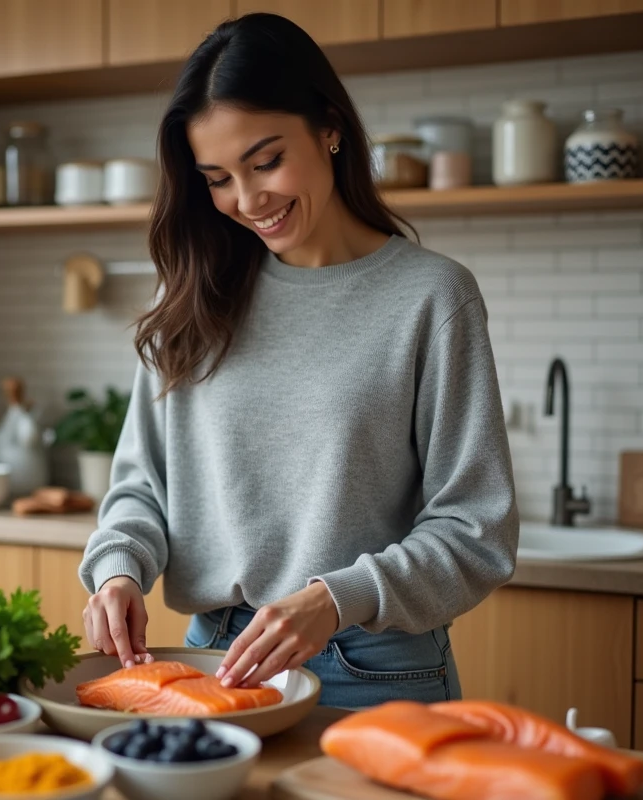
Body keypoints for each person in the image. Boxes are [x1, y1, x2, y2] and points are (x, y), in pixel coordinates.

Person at [77, 12, 519, 709]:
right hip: (208, 657)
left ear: (330, 127)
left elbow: (475, 531)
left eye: (266, 161)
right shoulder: (193, 291)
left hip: (373, 667)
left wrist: (333, 600)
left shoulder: (431, 297)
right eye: (218, 177)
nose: (249, 201)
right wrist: (118, 571)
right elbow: (143, 486)